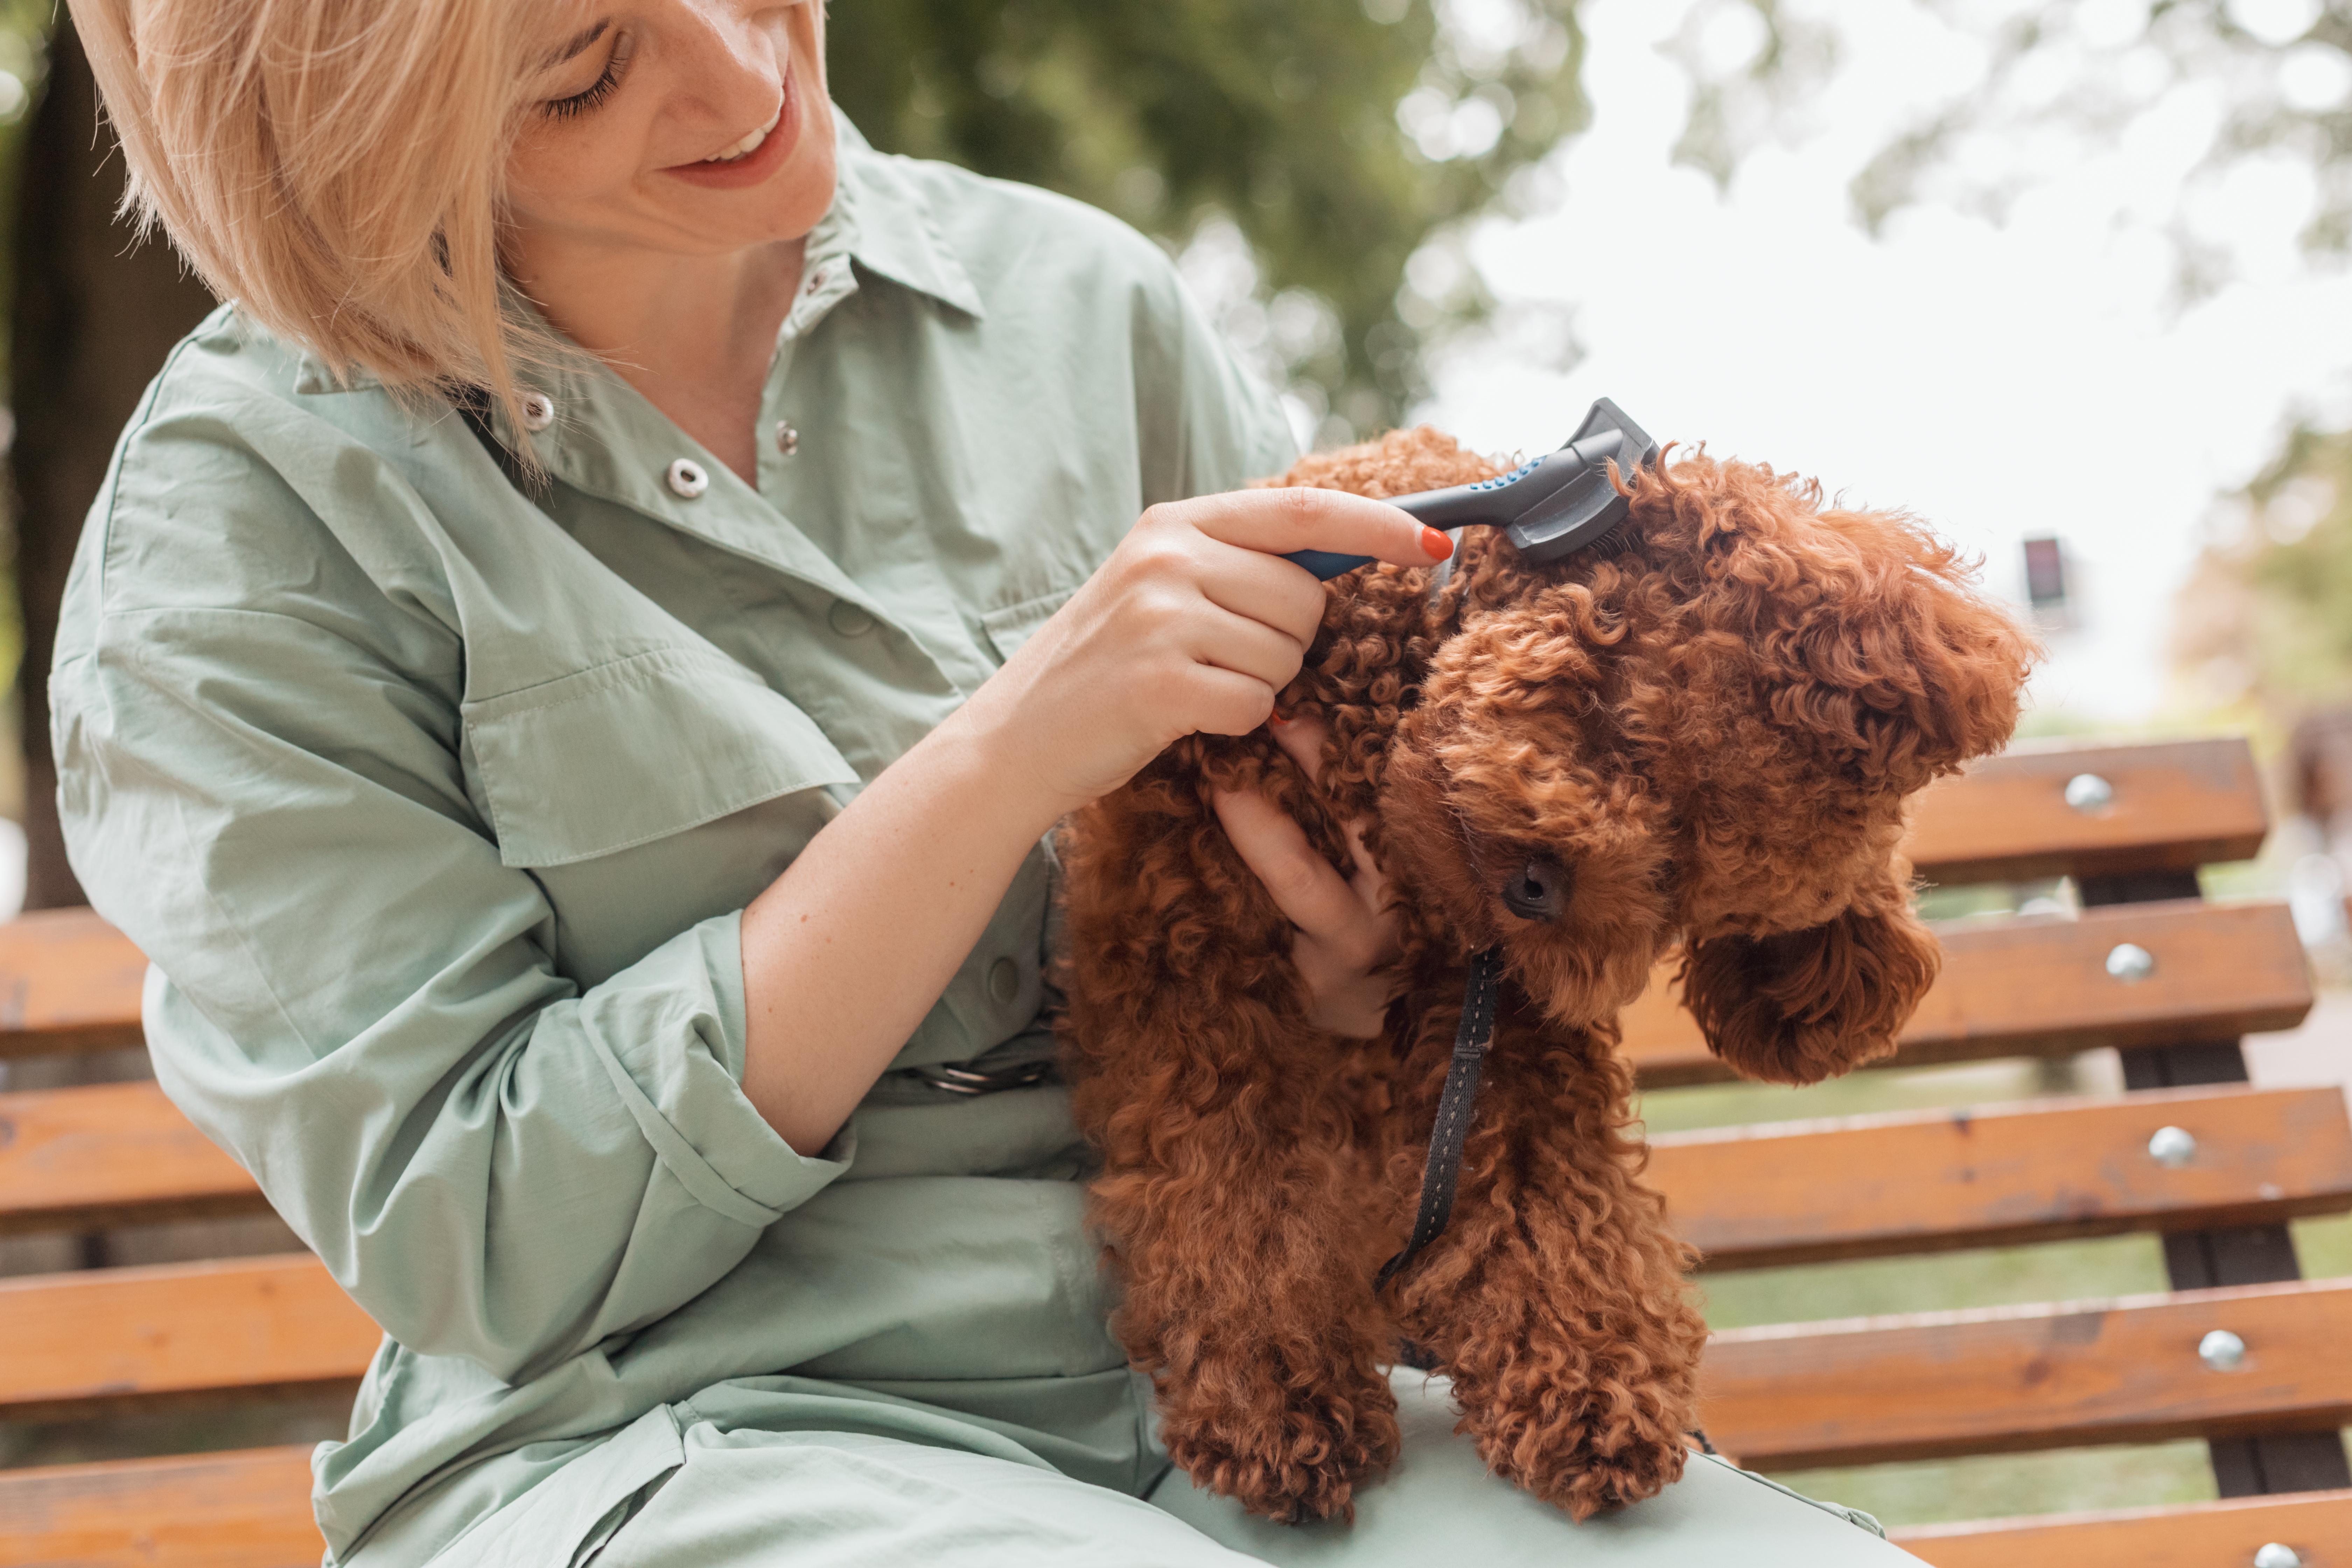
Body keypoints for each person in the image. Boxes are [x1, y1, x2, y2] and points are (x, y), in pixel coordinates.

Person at [53, 0, 1917, 1561]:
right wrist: (1005, 754)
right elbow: (478, 1235)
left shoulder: (1078, 307)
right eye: (580, 68)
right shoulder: (244, 530)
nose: (734, 73)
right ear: (351, 148)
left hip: (1251, 1383)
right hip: (677, 1439)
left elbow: (1369, 940)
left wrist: (1356, 971)